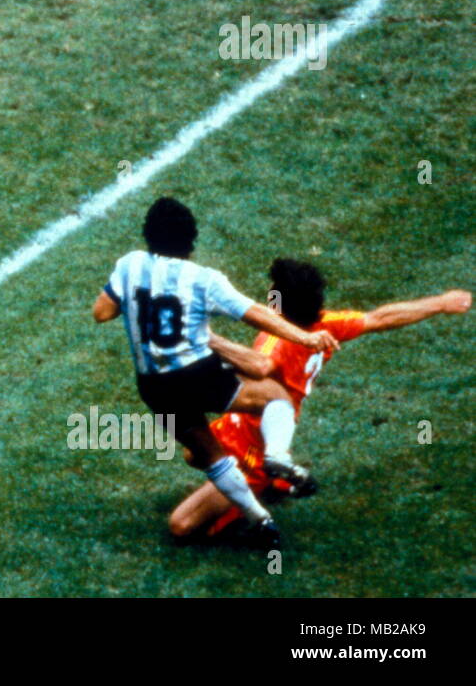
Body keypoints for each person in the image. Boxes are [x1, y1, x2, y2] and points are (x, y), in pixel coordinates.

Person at [92, 197, 339, 547]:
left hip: (154, 385)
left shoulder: (130, 265)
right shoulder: (202, 279)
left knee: (209, 455)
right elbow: (255, 312)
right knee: (275, 397)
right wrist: (304, 336)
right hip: (196, 373)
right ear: (190, 241)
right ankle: (277, 457)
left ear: (148, 235)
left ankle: (260, 519)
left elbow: (101, 312)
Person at [168, 258, 471, 542]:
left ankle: (255, 494)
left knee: (181, 526)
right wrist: (440, 303)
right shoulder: (326, 326)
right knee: (192, 455)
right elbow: (379, 318)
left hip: (251, 449)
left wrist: (204, 338)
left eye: (273, 293)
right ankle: (277, 480)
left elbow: (234, 382)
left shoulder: (271, 346)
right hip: (242, 428)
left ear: (281, 303)